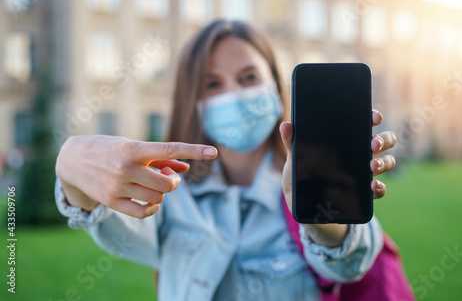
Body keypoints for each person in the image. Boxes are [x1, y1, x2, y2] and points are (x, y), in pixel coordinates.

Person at [55, 20, 400, 301]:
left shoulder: (314, 174)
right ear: (193, 99)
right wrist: (72, 173)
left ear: (275, 86)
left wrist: (318, 212)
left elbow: (350, 262)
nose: (233, 93)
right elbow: (113, 222)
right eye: (212, 83)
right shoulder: (168, 190)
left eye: (249, 77)